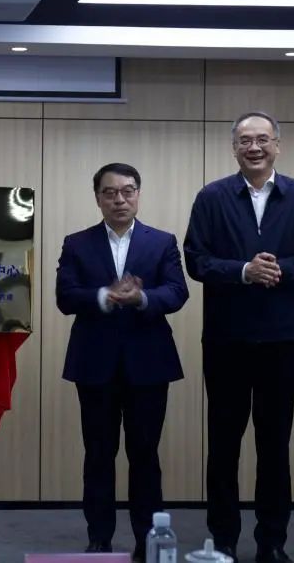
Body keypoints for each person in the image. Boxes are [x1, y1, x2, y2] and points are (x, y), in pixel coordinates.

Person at [184, 112, 294, 563]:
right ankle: (223, 539)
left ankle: (272, 541)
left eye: (262, 139)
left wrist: (279, 270)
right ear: (234, 148)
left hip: (281, 340)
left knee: (274, 444)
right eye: (245, 140)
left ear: (277, 145)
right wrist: (244, 271)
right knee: (224, 444)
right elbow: (195, 260)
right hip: (225, 340)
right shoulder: (212, 197)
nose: (254, 147)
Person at [56, 163, 188, 563]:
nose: (120, 199)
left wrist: (142, 299)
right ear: (98, 198)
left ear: (138, 195)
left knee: (145, 454)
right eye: (110, 192)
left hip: (149, 363)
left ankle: (147, 540)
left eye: (128, 191)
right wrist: (105, 296)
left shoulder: (161, 241)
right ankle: (99, 538)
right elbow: (65, 296)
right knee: (98, 453)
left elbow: (177, 292)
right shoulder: (77, 243)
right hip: (94, 363)